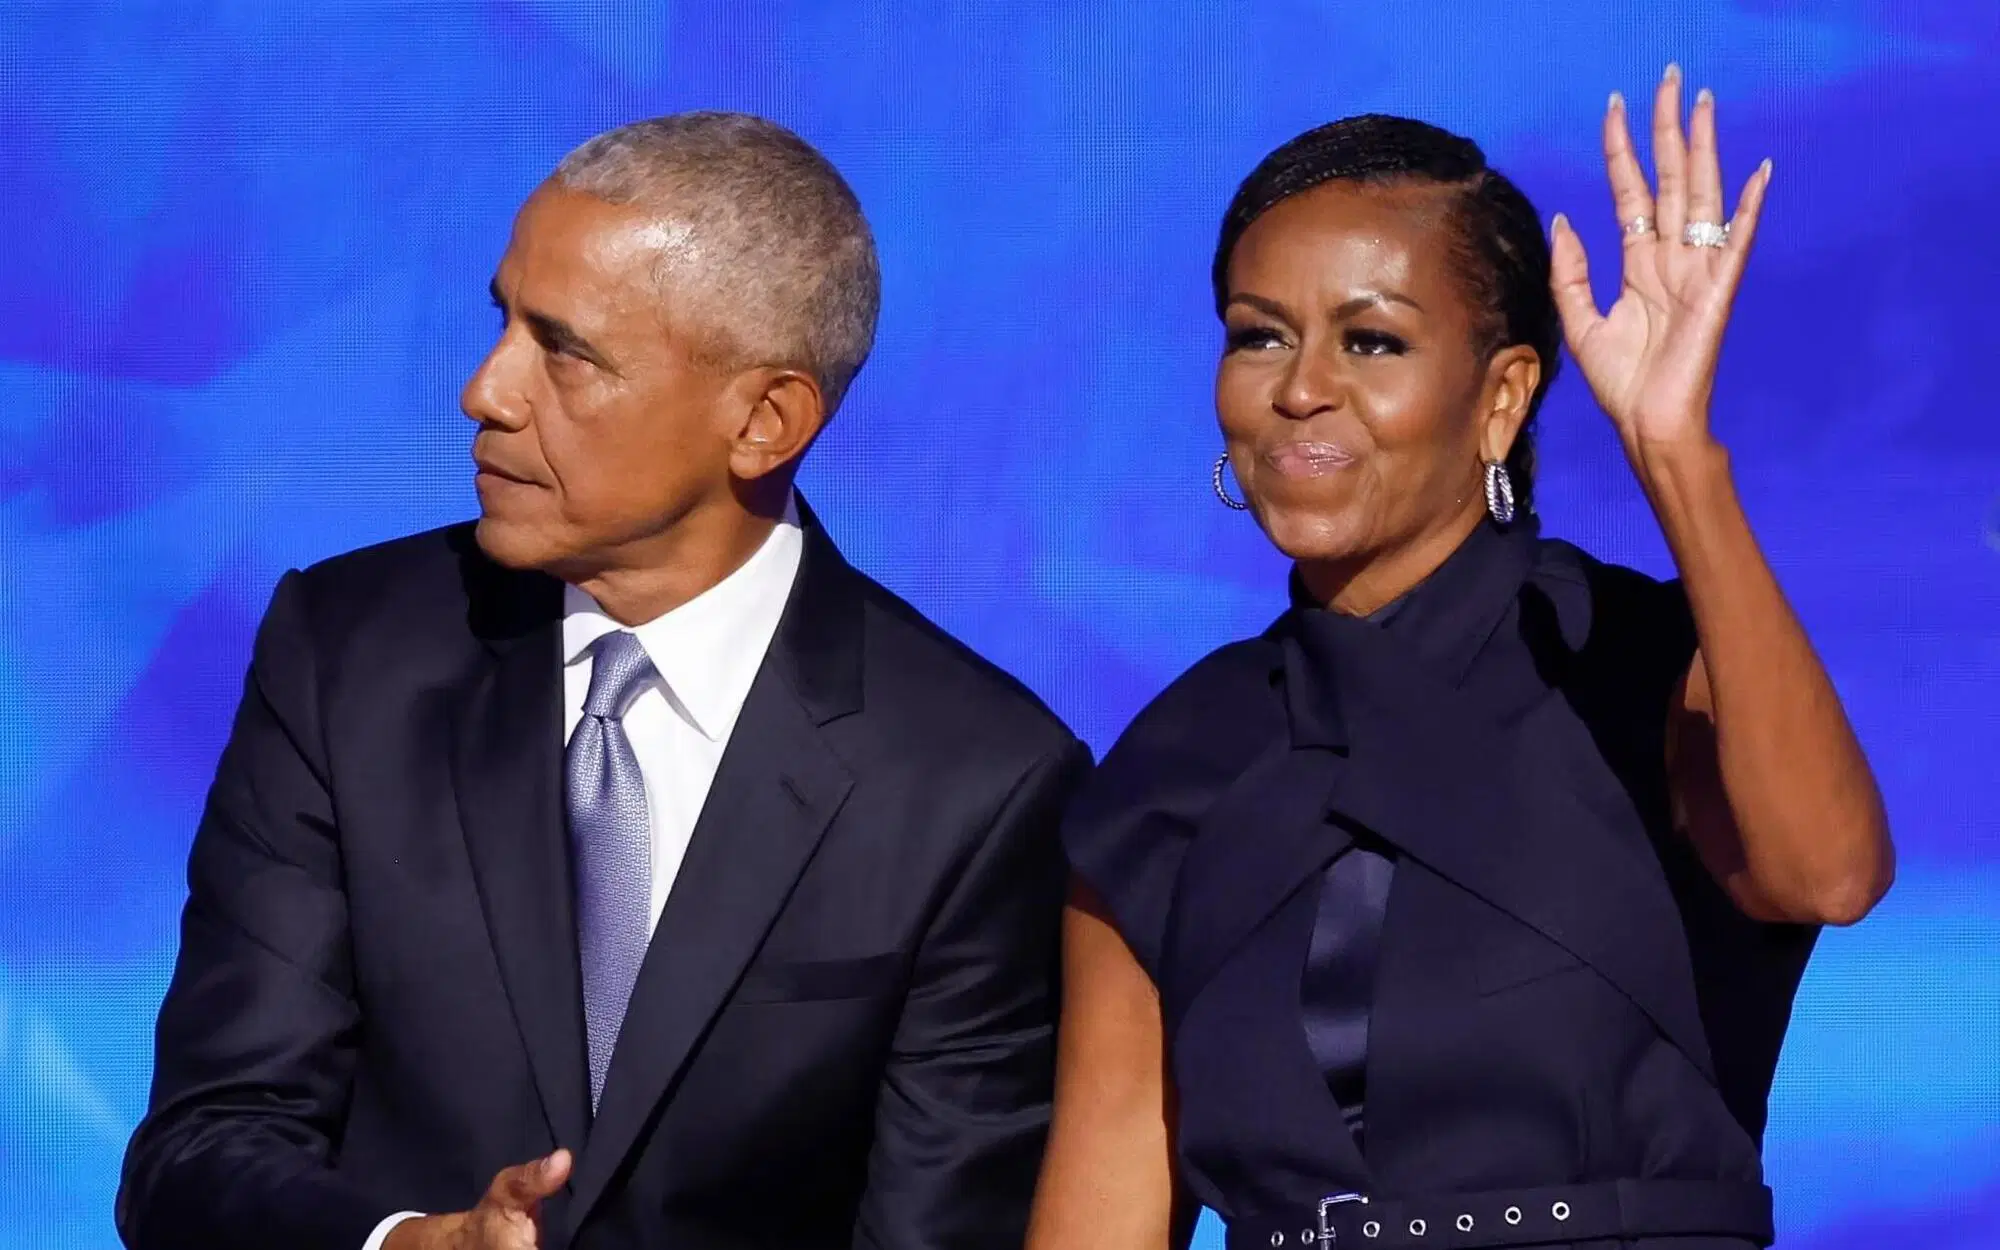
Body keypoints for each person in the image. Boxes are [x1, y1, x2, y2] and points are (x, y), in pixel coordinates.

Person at [117, 112, 1090, 1250]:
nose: (487, 389)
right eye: (502, 322)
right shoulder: (346, 652)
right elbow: (201, 1149)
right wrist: (402, 1244)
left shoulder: (972, 778)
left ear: (763, 420)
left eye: (563, 348)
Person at [1028, 69, 1894, 1250]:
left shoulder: (1632, 662)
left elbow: (1828, 874)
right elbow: (1101, 1206)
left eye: (1370, 340)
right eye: (1257, 335)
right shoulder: (1175, 762)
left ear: (1499, 399)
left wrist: (1675, 454)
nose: (1298, 389)